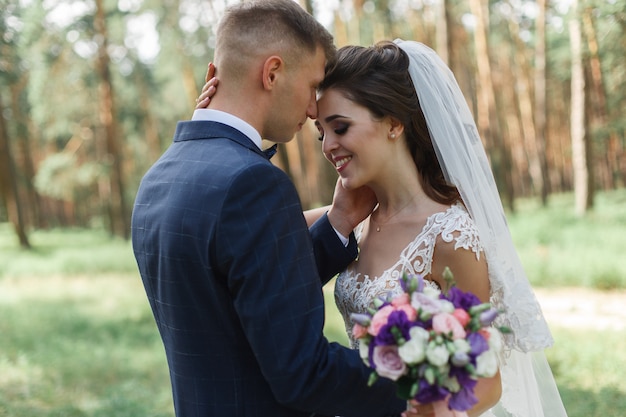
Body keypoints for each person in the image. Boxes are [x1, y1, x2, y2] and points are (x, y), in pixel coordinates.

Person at [130, 1, 412, 416]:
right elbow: (302, 374)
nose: (314, 108)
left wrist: (338, 222)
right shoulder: (251, 183)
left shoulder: (160, 178)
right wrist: (424, 373)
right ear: (273, 72)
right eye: (313, 85)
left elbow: (249, 290)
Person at [311, 41, 569, 417]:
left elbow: (485, 383)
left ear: (394, 124)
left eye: (340, 127)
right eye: (321, 134)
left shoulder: (450, 236)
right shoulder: (353, 217)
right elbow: (268, 225)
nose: (328, 146)